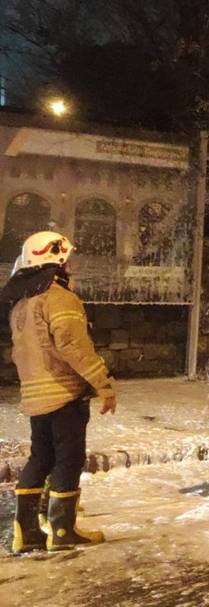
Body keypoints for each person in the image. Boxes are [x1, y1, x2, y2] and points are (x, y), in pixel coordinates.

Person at [1, 231, 116, 553]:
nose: (72, 267)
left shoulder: (22, 305)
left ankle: (26, 533)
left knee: (41, 458)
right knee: (69, 460)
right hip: (64, 394)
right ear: (56, 262)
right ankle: (63, 531)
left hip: (36, 397)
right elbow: (73, 346)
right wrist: (103, 384)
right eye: (67, 261)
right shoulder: (60, 298)